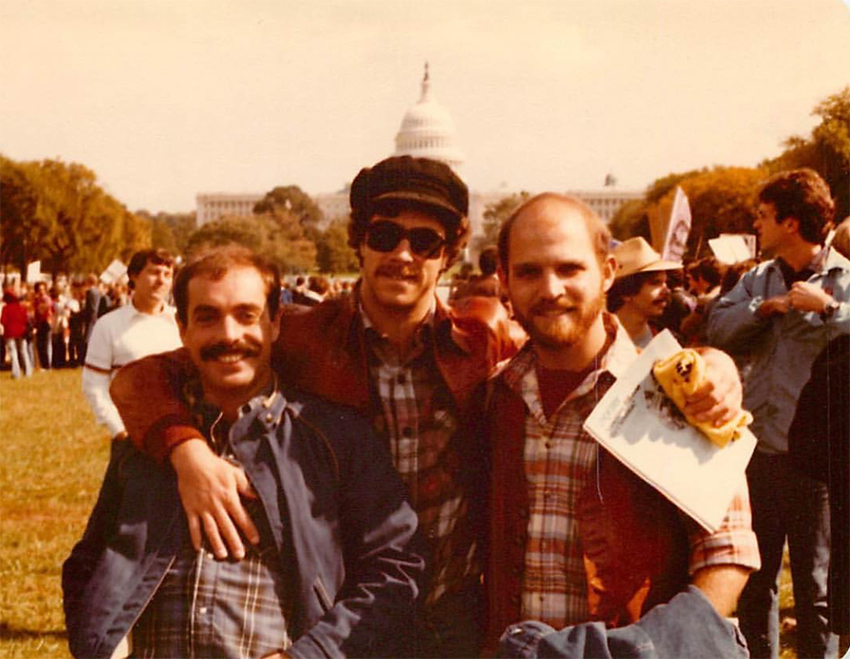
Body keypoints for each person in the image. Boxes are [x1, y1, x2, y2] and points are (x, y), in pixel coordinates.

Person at [110, 155, 520, 657]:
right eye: (385, 235)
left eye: (425, 241)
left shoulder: (481, 344)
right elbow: (141, 377)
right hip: (344, 611)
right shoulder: (302, 337)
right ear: (359, 240)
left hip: (449, 609)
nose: (404, 255)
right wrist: (186, 450)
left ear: (450, 252)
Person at [63, 246, 424, 659]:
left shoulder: (336, 439)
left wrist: (308, 656)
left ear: (275, 323)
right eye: (207, 317)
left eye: (246, 315)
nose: (229, 335)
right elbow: (86, 562)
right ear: (181, 329)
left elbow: (394, 567)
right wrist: (97, 640)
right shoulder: (146, 442)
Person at [483, 193, 760, 653]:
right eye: (529, 271)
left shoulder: (672, 389)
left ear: (608, 272)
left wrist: (650, 647)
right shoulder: (493, 396)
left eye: (570, 269)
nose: (551, 289)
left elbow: (728, 550)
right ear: (504, 281)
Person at [707, 168, 848, 659]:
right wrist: (757, 313)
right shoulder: (755, 280)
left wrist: (829, 308)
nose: (756, 224)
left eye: (764, 216)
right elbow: (716, 327)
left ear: (790, 222)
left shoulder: (844, 279)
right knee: (755, 578)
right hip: (756, 452)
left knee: (815, 587)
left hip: (815, 459)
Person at [82, 249, 182, 454]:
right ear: (134, 276)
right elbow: (94, 385)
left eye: (167, 274)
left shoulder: (181, 323)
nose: (161, 280)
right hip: (132, 441)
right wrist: (119, 430)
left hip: (181, 437)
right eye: (154, 272)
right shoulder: (108, 325)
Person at [606, 237, 681, 348]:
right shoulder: (594, 342)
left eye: (665, 282)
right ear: (627, 292)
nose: (666, 290)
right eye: (655, 283)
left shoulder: (666, 343)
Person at [1, 288, 33, 379]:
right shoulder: (21, 307)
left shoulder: (5, 308)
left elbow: (3, 321)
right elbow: (26, 320)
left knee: (13, 353)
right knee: (24, 351)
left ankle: (16, 373)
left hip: (10, 333)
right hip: (22, 332)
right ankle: (28, 371)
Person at [32, 280, 54, 369]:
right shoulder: (37, 300)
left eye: (43, 289)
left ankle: (47, 365)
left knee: (45, 344)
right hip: (39, 323)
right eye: (39, 289)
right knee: (39, 345)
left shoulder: (46, 298)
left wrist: (39, 307)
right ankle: (42, 365)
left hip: (46, 322)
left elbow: (43, 309)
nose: (41, 291)